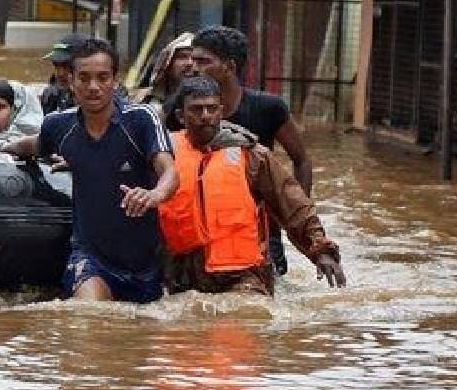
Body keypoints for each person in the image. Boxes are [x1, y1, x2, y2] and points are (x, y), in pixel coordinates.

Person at [5, 38, 178, 303]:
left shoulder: (141, 119)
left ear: (115, 80)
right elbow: (34, 146)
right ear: (70, 80)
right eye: (84, 78)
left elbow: (170, 173)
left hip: (145, 264)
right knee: (90, 320)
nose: (93, 87)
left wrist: (154, 195)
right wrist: (0, 149)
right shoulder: (58, 125)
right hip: (91, 258)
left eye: (102, 78)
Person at [159, 76, 345, 295]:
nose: (205, 116)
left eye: (211, 109)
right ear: (181, 116)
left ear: (221, 111)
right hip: (180, 274)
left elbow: (293, 204)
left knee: (247, 315)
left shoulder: (251, 155)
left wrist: (320, 250)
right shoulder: (163, 154)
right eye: (196, 110)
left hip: (242, 275)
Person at [166, 25, 313, 277]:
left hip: (260, 231)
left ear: (229, 67)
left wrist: (292, 214)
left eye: (203, 61)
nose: (192, 67)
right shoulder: (178, 112)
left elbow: (301, 160)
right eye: (191, 59)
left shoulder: (268, 108)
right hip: (198, 236)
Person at [136, 31, 194, 106]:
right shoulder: (143, 100)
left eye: (194, 58)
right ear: (167, 64)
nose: (190, 63)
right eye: (182, 57)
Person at [39, 33, 86, 114]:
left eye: (66, 66)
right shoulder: (51, 96)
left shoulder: (103, 100)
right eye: (56, 65)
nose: (60, 73)